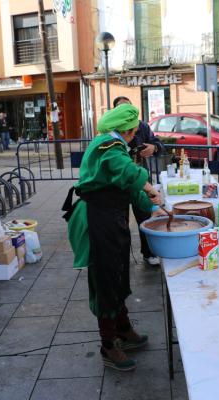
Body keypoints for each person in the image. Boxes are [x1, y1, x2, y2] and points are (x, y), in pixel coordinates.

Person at [63, 103, 163, 371]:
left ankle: (123, 328)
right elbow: (129, 172)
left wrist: (152, 206)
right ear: (127, 130)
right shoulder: (106, 146)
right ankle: (108, 345)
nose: (134, 138)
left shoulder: (116, 146)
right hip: (97, 221)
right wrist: (150, 187)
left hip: (113, 220)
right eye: (133, 133)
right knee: (106, 279)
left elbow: (127, 186)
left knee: (119, 274)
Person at [113, 96, 165, 266]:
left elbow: (158, 143)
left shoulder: (142, 126)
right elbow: (125, 169)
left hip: (140, 178)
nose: (134, 134)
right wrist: (150, 189)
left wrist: (154, 147)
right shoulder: (110, 138)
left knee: (145, 216)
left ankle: (148, 252)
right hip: (119, 185)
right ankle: (120, 258)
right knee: (120, 222)